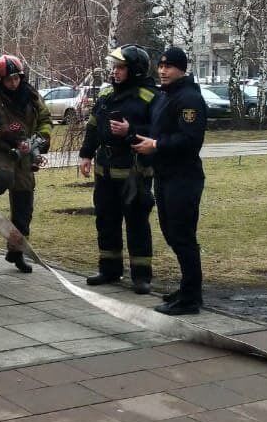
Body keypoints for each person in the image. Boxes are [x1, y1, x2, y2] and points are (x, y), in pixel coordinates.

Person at [133, 46, 208, 315]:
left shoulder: (188, 99)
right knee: (171, 233)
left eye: (169, 66)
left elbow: (190, 140)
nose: (163, 70)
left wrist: (156, 144)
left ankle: (191, 297)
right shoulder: (165, 96)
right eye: (161, 65)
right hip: (164, 175)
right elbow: (156, 129)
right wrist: (134, 133)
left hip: (183, 177)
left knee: (183, 236)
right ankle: (187, 289)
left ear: (182, 69)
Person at [79, 45, 158, 294]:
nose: (115, 71)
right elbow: (93, 126)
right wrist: (85, 154)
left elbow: (156, 135)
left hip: (134, 174)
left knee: (137, 225)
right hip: (105, 172)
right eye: (114, 67)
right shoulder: (106, 95)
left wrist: (130, 132)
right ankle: (109, 270)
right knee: (106, 222)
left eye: (121, 67)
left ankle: (141, 276)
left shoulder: (150, 97)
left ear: (134, 69)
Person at [0, 54, 51, 273]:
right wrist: (2, 131)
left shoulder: (32, 97)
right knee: (4, 177)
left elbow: (45, 121)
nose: (13, 83)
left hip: (25, 150)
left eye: (16, 78)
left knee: (24, 204)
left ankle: (16, 253)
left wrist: (39, 142)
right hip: (0, 149)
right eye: (8, 80)